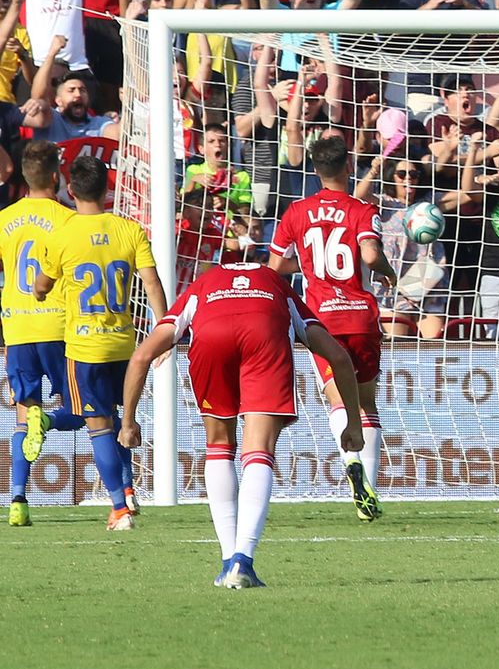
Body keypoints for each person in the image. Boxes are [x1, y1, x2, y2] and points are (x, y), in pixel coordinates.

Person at [120, 262, 364, 589]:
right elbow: (339, 356)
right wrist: (352, 423)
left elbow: (140, 357)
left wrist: (128, 421)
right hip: (263, 334)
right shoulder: (276, 283)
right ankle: (243, 560)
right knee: (258, 450)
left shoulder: (203, 284)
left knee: (218, 446)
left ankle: (226, 562)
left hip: (211, 337)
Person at [267, 134, 397, 520]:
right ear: (348, 166)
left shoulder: (296, 212)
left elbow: (275, 270)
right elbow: (371, 255)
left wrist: (305, 267)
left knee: (337, 400)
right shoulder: (362, 208)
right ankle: (368, 492)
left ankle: (351, 463)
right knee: (366, 402)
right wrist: (387, 271)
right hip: (360, 315)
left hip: (320, 319)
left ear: (315, 168)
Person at [32, 155, 166, 531]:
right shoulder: (131, 230)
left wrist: (40, 292)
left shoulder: (62, 235)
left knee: (99, 427)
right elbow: (151, 284)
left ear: (70, 190)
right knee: (121, 420)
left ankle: (119, 508)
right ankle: (127, 490)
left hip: (85, 349)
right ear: (108, 190)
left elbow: (41, 286)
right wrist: (166, 329)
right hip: (125, 346)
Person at [1, 141, 74, 527]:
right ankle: (124, 499)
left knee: (21, 415)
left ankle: (17, 500)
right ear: (54, 176)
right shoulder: (67, 219)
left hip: (17, 327)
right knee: (85, 410)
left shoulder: (4, 218)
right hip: (59, 326)